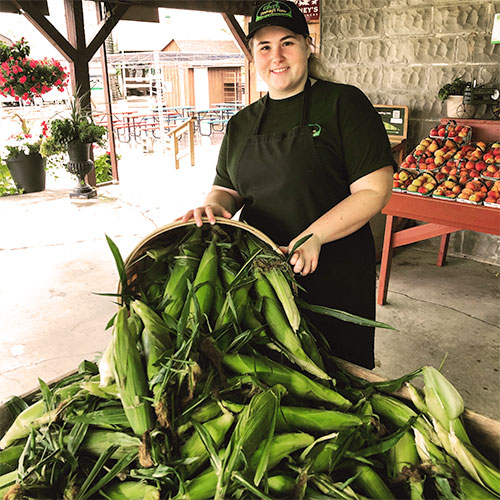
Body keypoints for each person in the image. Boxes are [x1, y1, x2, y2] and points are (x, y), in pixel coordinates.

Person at [181, 0, 396, 369]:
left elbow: (374, 191)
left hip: (334, 273)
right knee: (274, 373)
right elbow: (227, 189)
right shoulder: (242, 123)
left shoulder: (343, 103)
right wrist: (214, 206)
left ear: (308, 46)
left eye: (287, 43)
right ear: (253, 55)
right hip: (262, 277)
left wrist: (314, 236)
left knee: (337, 376)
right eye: (264, 46)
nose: (276, 56)